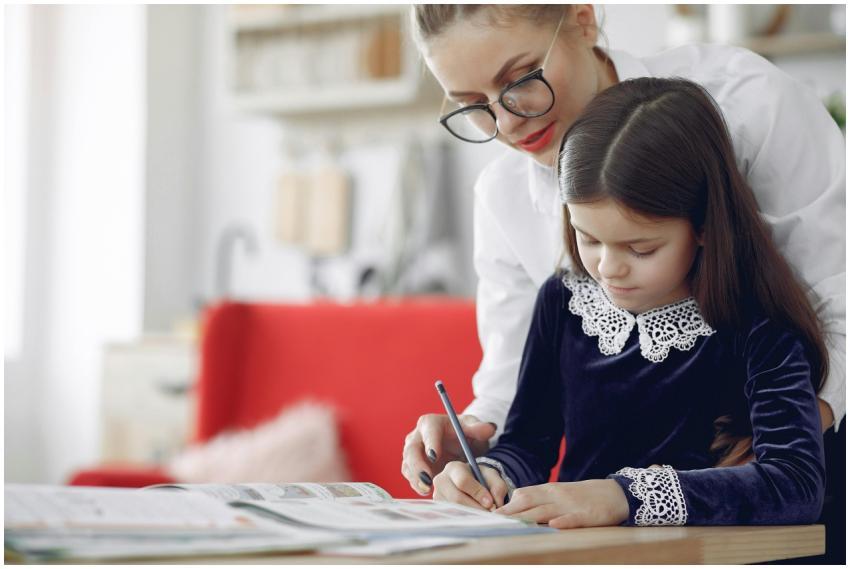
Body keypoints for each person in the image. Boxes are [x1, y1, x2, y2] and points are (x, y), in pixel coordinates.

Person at [402, 4, 844, 498]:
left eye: (522, 77)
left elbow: (837, 293)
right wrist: (477, 443)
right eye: (471, 104)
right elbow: (515, 388)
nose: (506, 123)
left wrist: (773, 456)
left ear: (583, 19)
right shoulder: (504, 197)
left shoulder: (747, 104)